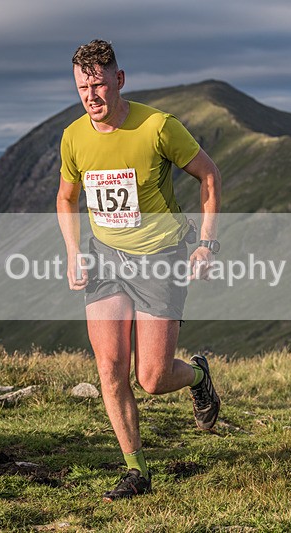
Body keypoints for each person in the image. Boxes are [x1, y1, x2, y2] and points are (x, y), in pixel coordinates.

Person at [56, 40, 222, 501]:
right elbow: (66, 197)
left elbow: (208, 176)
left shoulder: (158, 127)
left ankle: (198, 376)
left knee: (151, 378)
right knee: (110, 369)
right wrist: (74, 252)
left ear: (119, 80)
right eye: (83, 87)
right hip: (105, 259)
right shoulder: (74, 136)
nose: (91, 96)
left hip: (160, 257)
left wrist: (206, 243)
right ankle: (136, 471)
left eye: (99, 85)